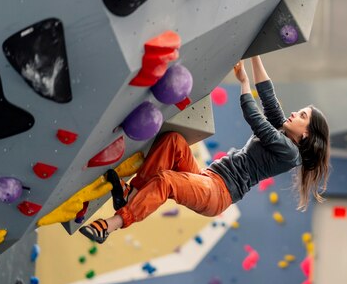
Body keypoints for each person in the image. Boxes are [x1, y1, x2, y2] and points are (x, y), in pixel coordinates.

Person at [80, 55, 330, 243]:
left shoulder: (290, 153)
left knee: (166, 181)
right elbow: (268, 96)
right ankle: (131, 193)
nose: (295, 113)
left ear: (306, 134)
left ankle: (112, 225)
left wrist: (243, 82)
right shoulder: (285, 131)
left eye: (303, 115)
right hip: (209, 176)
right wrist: (256, 52)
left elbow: (256, 120)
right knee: (173, 141)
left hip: (218, 193)